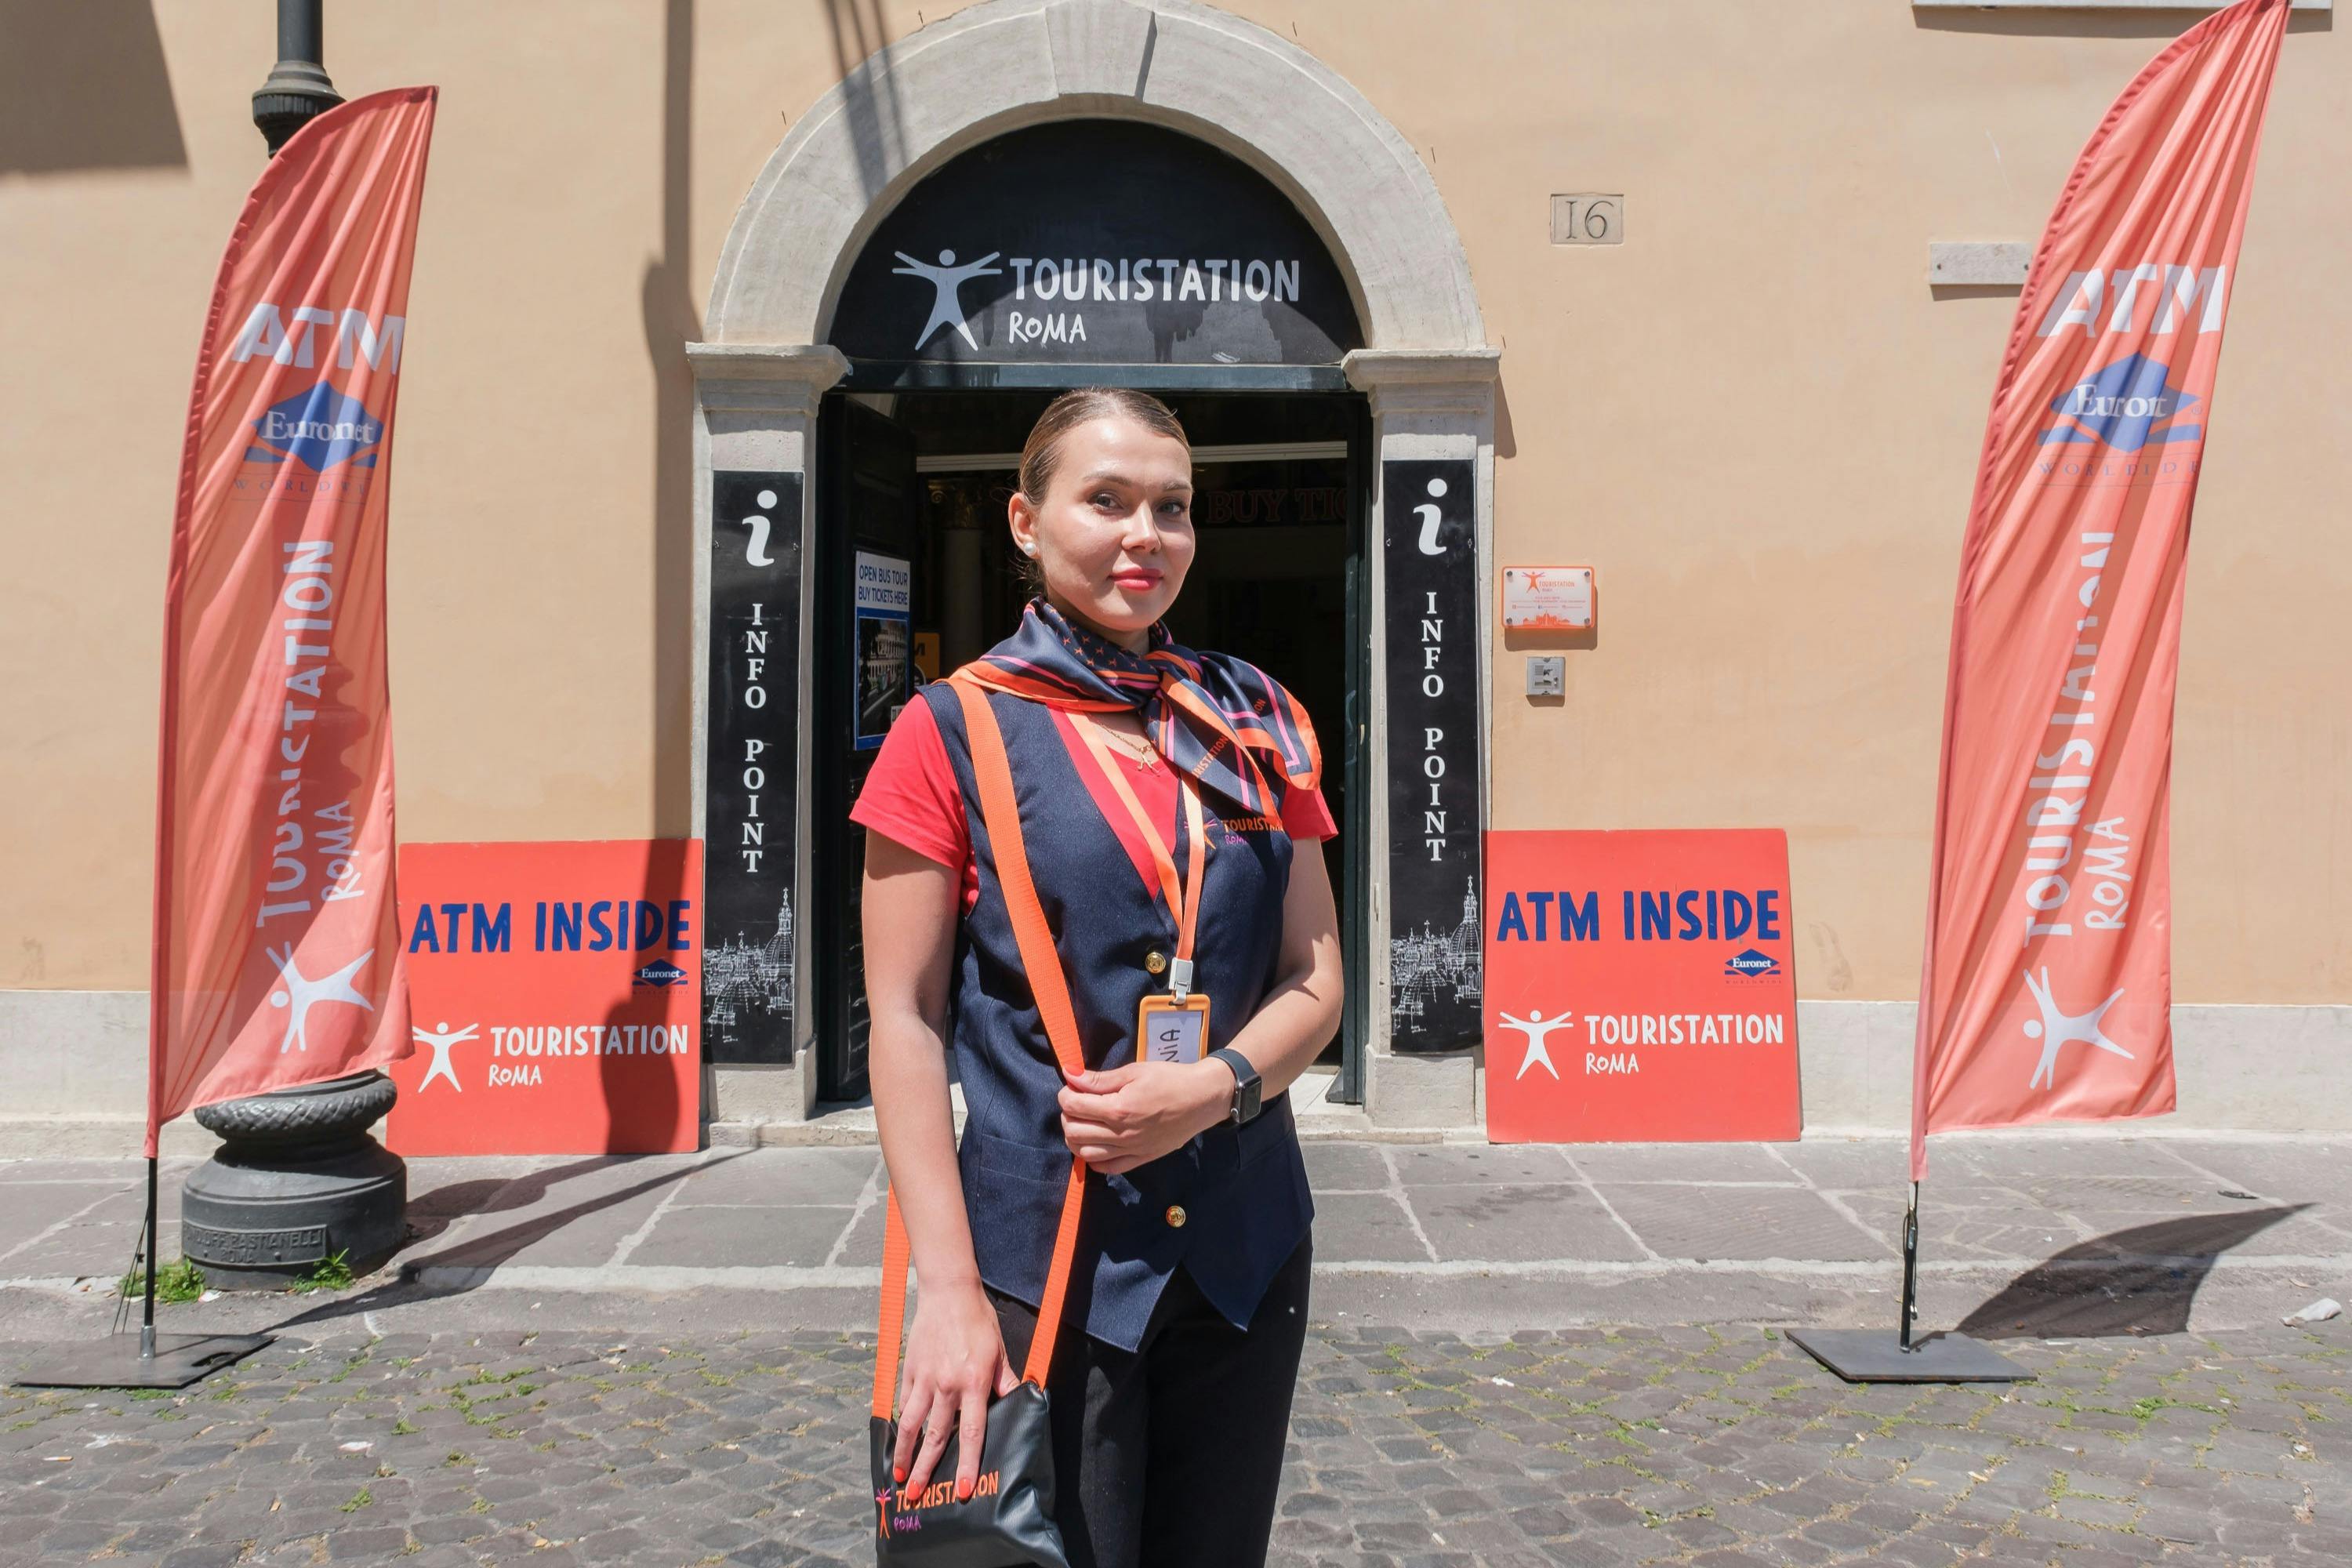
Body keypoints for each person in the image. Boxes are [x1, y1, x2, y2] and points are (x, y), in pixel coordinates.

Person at [854, 387, 1345, 1568]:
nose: (1146, 535)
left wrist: (1219, 1084)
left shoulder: (1257, 718)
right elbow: (906, 1023)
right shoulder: (951, 726)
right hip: (1042, 1260)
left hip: (1246, 1241)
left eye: (1171, 507)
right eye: (1107, 501)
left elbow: (1315, 976)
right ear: (1024, 522)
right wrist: (950, 1292)